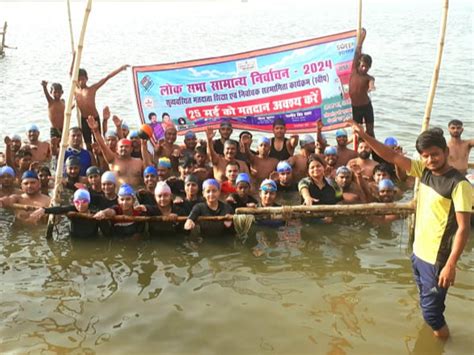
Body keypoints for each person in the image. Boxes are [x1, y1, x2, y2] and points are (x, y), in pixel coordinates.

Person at [352, 121, 472, 338]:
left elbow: (463, 228)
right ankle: (433, 339)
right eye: (424, 155)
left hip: (437, 259)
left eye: (434, 154)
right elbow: (391, 157)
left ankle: (445, 343)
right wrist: (364, 136)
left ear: (445, 152)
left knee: (431, 315)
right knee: (428, 306)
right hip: (418, 253)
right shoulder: (424, 171)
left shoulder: (459, 185)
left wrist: (451, 265)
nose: (429, 159)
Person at [73, 65, 129, 148]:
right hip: (84, 119)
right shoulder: (75, 90)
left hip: (94, 117)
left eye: (83, 79)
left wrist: (120, 68)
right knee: (87, 142)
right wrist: (74, 56)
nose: (81, 81)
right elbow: (71, 73)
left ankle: (101, 158)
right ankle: (91, 158)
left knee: (98, 141)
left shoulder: (92, 89)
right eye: (79, 79)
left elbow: (107, 77)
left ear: (86, 79)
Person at [87, 116, 148, 187]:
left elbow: (148, 171)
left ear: (131, 149)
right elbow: (103, 145)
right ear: (117, 149)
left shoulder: (139, 162)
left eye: (126, 147)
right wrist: (95, 131)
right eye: (121, 147)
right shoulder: (113, 160)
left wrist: (144, 146)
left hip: (135, 195)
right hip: (119, 195)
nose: (123, 148)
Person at [31, 189, 103, 238]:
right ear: (74, 202)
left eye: (84, 201)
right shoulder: (72, 209)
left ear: (89, 202)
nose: (80, 205)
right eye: (77, 202)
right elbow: (60, 209)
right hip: (75, 239)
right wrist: (44, 210)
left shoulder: (95, 211)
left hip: (92, 239)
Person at [349, 28, 375, 137]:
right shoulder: (354, 70)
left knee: (370, 131)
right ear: (359, 64)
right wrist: (361, 39)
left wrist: (371, 87)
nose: (364, 69)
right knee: (357, 132)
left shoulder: (369, 78)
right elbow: (357, 51)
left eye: (367, 67)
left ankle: (375, 153)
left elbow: (371, 83)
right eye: (363, 66)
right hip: (355, 108)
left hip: (366, 106)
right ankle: (358, 151)